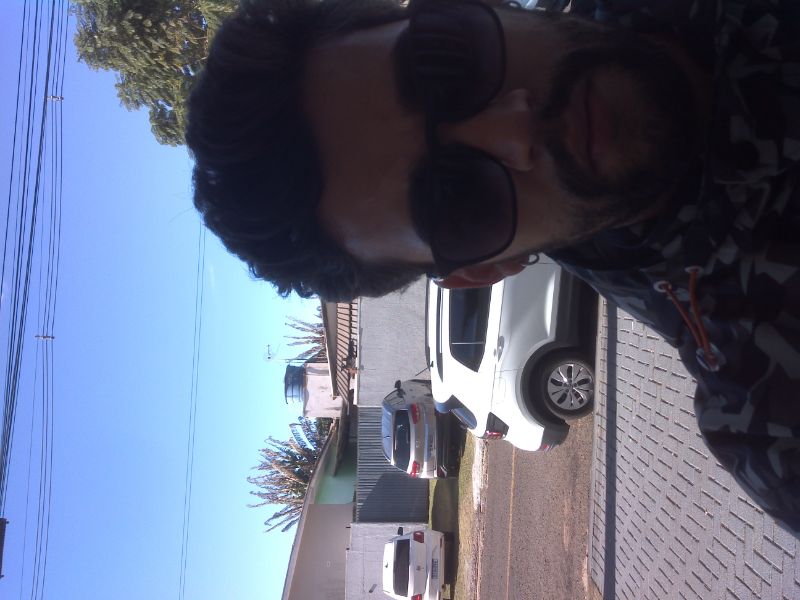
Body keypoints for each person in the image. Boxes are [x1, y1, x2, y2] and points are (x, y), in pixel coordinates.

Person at [185, 0, 800, 536]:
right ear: (484, 270)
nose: (514, 129)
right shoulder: (768, 404)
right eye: (455, 202)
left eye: (444, 66)